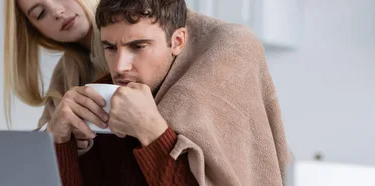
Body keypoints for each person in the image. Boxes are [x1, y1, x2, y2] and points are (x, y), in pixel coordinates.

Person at [50, 0, 290, 185]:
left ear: (177, 41)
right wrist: (61, 144)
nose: (120, 66)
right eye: (110, 48)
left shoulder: (203, 96)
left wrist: (153, 134)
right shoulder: (100, 101)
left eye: (138, 46)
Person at [2, 0, 110, 137]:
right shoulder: (63, 79)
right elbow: (41, 149)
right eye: (40, 13)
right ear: (35, 31)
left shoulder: (137, 23)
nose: (58, 12)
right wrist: (59, 138)